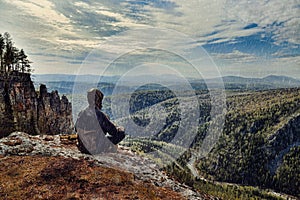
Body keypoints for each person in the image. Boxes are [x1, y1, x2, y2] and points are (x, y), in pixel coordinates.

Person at [75, 88, 125, 154]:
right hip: (94, 148)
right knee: (121, 133)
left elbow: (76, 128)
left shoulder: (82, 113)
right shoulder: (100, 115)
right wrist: (120, 128)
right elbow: (114, 132)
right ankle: (106, 147)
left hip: (82, 147)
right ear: (98, 100)